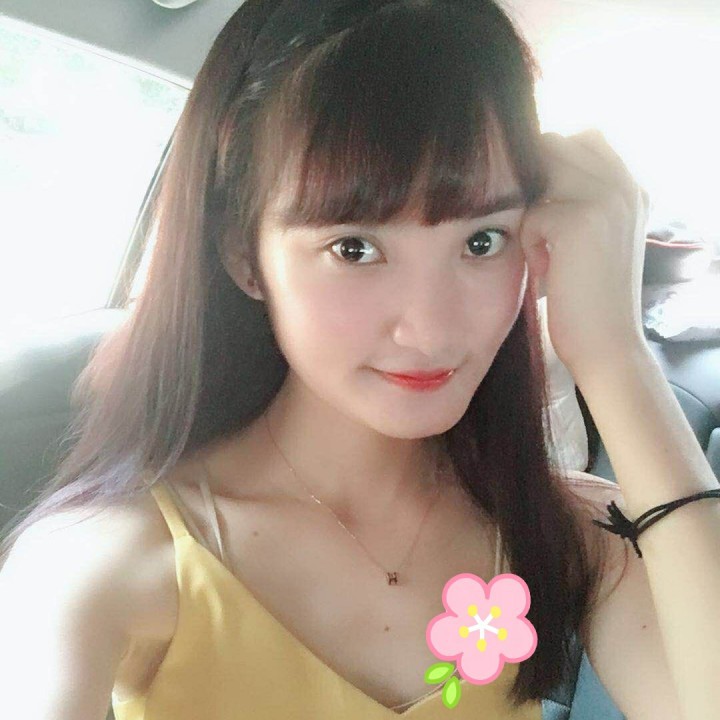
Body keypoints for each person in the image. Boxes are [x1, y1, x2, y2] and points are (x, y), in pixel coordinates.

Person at [4, 1, 711, 718]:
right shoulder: (106, 561)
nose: (431, 329)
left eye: (482, 241)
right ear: (244, 255)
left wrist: (615, 354)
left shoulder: (569, 535)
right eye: (354, 248)